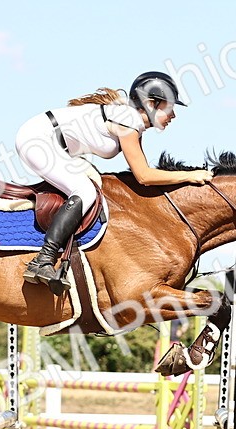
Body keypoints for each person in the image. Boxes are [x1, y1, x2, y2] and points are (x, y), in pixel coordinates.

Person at [14, 71, 213, 286]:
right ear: (151, 104)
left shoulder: (131, 122)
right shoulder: (129, 122)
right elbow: (144, 176)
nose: (173, 115)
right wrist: (190, 176)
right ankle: (43, 260)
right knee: (85, 191)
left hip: (50, 142)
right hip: (37, 141)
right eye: (170, 108)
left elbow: (141, 175)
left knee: (90, 185)